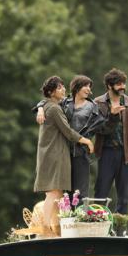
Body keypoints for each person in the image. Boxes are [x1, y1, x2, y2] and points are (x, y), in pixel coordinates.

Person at [34, 76, 94, 235]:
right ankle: (44, 227)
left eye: (63, 87)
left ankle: (56, 229)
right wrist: (87, 141)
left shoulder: (50, 105)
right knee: (53, 193)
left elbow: (43, 103)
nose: (64, 89)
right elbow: (68, 131)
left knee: (58, 195)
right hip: (54, 154)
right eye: (60, 88)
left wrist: (40, 107)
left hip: (52, 153)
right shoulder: (54, 108)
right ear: (51, 92)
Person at [34, 75, 107, 197]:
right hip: (64, 151)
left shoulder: (93, 107)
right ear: (77, 87)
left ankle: (78, 210)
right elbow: (49, 101)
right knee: (65, 193)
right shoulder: (65, 102)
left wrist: (114, 116)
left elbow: (103, 126)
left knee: (80, 193)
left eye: (90, 87)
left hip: (80, 152)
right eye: (85, 86)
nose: (89, 89)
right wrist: (40, 108)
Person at [93, 68, 128, 214]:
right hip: (106, 153)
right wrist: (112, 116)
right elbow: (98, 129)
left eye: (124, 83)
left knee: (124, 198)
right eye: (119, 84)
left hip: (126, 155)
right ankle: (97, 225)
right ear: (109, 86)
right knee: (100, 194)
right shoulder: (98, 103)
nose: (123, 87)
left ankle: (119, 226)